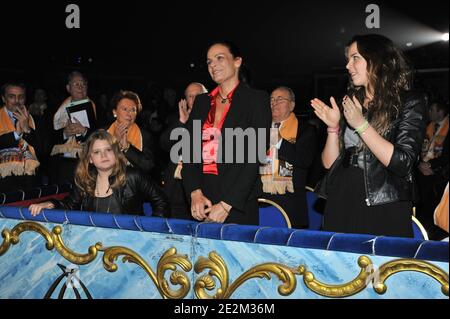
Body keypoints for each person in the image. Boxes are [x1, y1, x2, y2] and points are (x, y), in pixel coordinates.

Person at [311, 34, 427, 237]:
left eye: (355, 58)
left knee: (379, 267)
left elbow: (403, 162)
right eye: (348, 59)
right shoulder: (350, 102)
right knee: (339, 265)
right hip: (342, 194)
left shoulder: (410, 102)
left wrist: (361, 125)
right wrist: (332, 128)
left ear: (377, 60)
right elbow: (330, 165)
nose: (348, 65)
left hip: (383, 200)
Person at [182, 41, 272, 225]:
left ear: (237, 61)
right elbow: (189, 151)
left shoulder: (257, 100)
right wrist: (194, 192)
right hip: (202, 202)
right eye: (209, 62)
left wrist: (227, 204)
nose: (212, 65)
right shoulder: (201, 102)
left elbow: (255, 158)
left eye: (219, 58)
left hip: (238, 202)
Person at [29, 130, 169, 217]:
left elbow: (162, 201)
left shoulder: (133, 176)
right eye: (97, 152)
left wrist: (149, 231)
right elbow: (69, 206)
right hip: (94, 248)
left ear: (115, 153)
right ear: (90, 159)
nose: (103, 155)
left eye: (108, 150)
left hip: (128, 247)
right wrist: (49, 204)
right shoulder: (85, 181)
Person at [260, 86, 316, 228]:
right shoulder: (259, 128)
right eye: (271, 99)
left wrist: (277, 139)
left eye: (280, 99)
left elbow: (304, 160)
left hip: (289, 201)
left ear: (292, 105)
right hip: (260, 199)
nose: (274, 103)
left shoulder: (306, 130)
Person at [160, 82, 208, 219]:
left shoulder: (214, 121)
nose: (194, 100)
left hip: (200, 188)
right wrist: (182, 122)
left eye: (198, 96)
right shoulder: (178, 119)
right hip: (175, 187)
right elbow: (164, 143)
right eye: (190, 96)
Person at [50, 71, 97, 185]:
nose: (81, 87)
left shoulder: (97, 107)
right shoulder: (56, 108)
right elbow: (48, 139)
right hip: (64, 164)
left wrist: (85, 131)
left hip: (87, 162)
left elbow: (101, 135)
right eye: (76, 84)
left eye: (83, 84)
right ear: (68, 88)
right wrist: (65, 133)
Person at [0, 82, 41, 192]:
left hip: (29, 177)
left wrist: (27, 129)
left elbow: (43, 149)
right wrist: (17, 133)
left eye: (21, 97)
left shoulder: (34, 118)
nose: (17, 101)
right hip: (3, 179)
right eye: (12, 97)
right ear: (4, 99)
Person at [416, 101, 449, 235]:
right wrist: (420, 163)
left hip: (440, 173)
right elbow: (419, 147)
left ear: (440, 112)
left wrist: (430, 166)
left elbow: (447, 156)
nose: (429, 112)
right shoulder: (429, 126)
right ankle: (424, 230)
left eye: (432, 110)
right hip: (423, 168)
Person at [107, 90, 155, 175]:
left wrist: (127, 147)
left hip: (134, 185)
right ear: (114, 112)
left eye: (133, 110)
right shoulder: (103, 132)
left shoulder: (145, 135)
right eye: (125, 109)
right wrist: (114, 141)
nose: (129, 114)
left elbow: (148, 166)